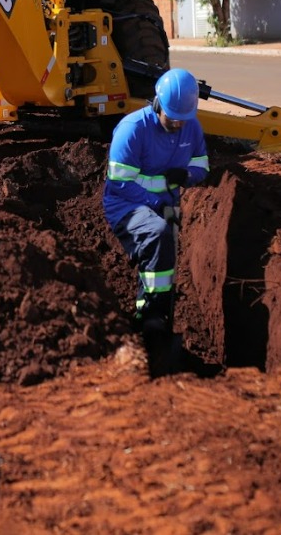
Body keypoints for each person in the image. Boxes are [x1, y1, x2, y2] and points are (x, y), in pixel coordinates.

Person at [103, 68, 209, 376]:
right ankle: (148, 316)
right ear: (157, 105)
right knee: (157, 234)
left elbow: (202, 164)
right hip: (127, 205)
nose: (177, 124)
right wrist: (160, 202)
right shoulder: (132, 129)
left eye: (182, 119)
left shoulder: (190, 127)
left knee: (165, 252)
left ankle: (160, 320)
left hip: (164, 205)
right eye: (172, 117)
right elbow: (121, 183)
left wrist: (187, 175)